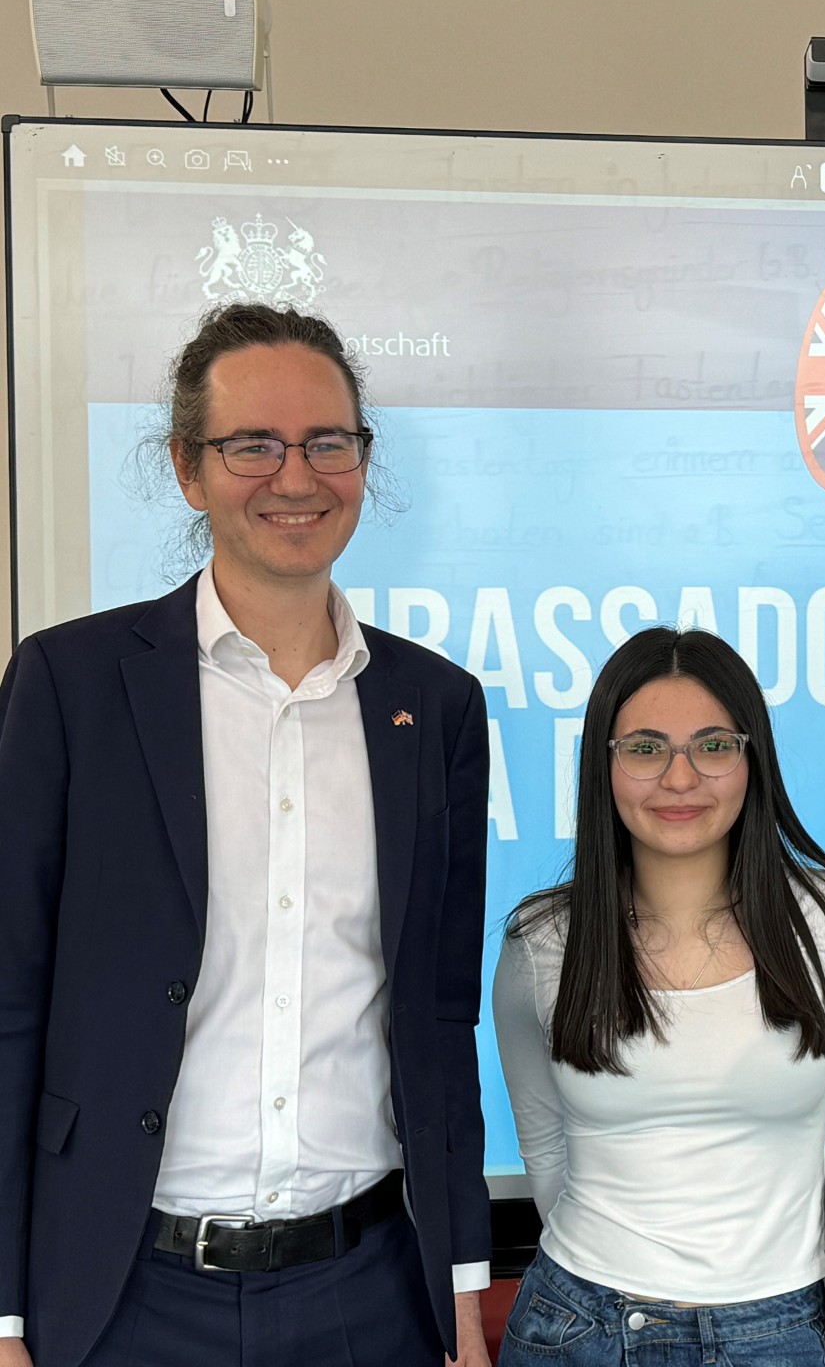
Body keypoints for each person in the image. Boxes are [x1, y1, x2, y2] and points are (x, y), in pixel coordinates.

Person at [0, 303, 492, 1367]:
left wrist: (461, 1285)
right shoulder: (70, 688)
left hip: (368, 1296)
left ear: (363, 461)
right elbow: (9, 1006)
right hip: (124, 1295)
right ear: (188, 469)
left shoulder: (436, 706)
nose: (296, 477)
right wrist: (1, 1316)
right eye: (253, 445)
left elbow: (441, 1019)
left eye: (327, 442)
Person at [492, 627, 825, 1367]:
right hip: (578, 1327)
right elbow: (544, 1144)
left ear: (753, 759)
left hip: (780, 1326)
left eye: (713, 746)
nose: (680, 778)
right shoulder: (543, 940)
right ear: (604, 764)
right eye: (645, 748)